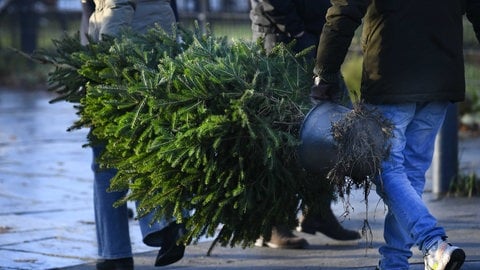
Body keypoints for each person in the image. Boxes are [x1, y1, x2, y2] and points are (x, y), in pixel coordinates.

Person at [311, 0, 480, 269]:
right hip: (440, 75)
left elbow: (345, 8)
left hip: (390, 75)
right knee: (410, 174)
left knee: (385, 168)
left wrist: (325, 71)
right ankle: (394, 263)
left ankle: (433, 242)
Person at [80, 1, 185, 269]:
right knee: (145, 144)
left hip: (127, 57)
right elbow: (91, 10)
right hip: (152, 47)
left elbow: (117, 6)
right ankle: (166, 225)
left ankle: (121, 252)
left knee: (108, 158)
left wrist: (102, 61)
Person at [249, 0, 361, 250]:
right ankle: (272, 223)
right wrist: (297, 31)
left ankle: (318, 210)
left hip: (314, 35)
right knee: (282, 132)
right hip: (279, 38)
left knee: (332, 126)